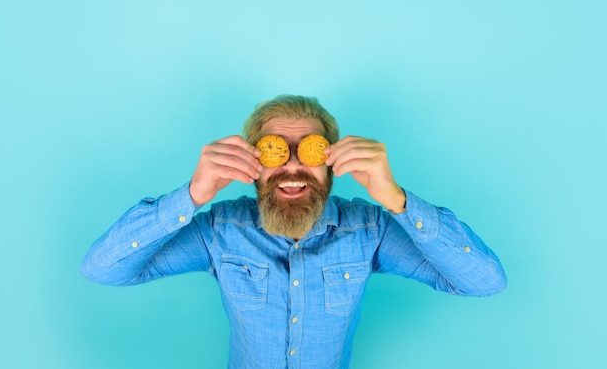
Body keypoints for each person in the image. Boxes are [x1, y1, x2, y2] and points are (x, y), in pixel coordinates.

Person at [81, 94, 506, 369]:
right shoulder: (219, 231)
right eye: (276, 151)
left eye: (309, 151)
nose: (292, 166)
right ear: (252, 163)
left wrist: (396, 198)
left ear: (332, 161)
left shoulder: (370, 231)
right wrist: (191, 195)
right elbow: (103, 269)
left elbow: (483, 282)